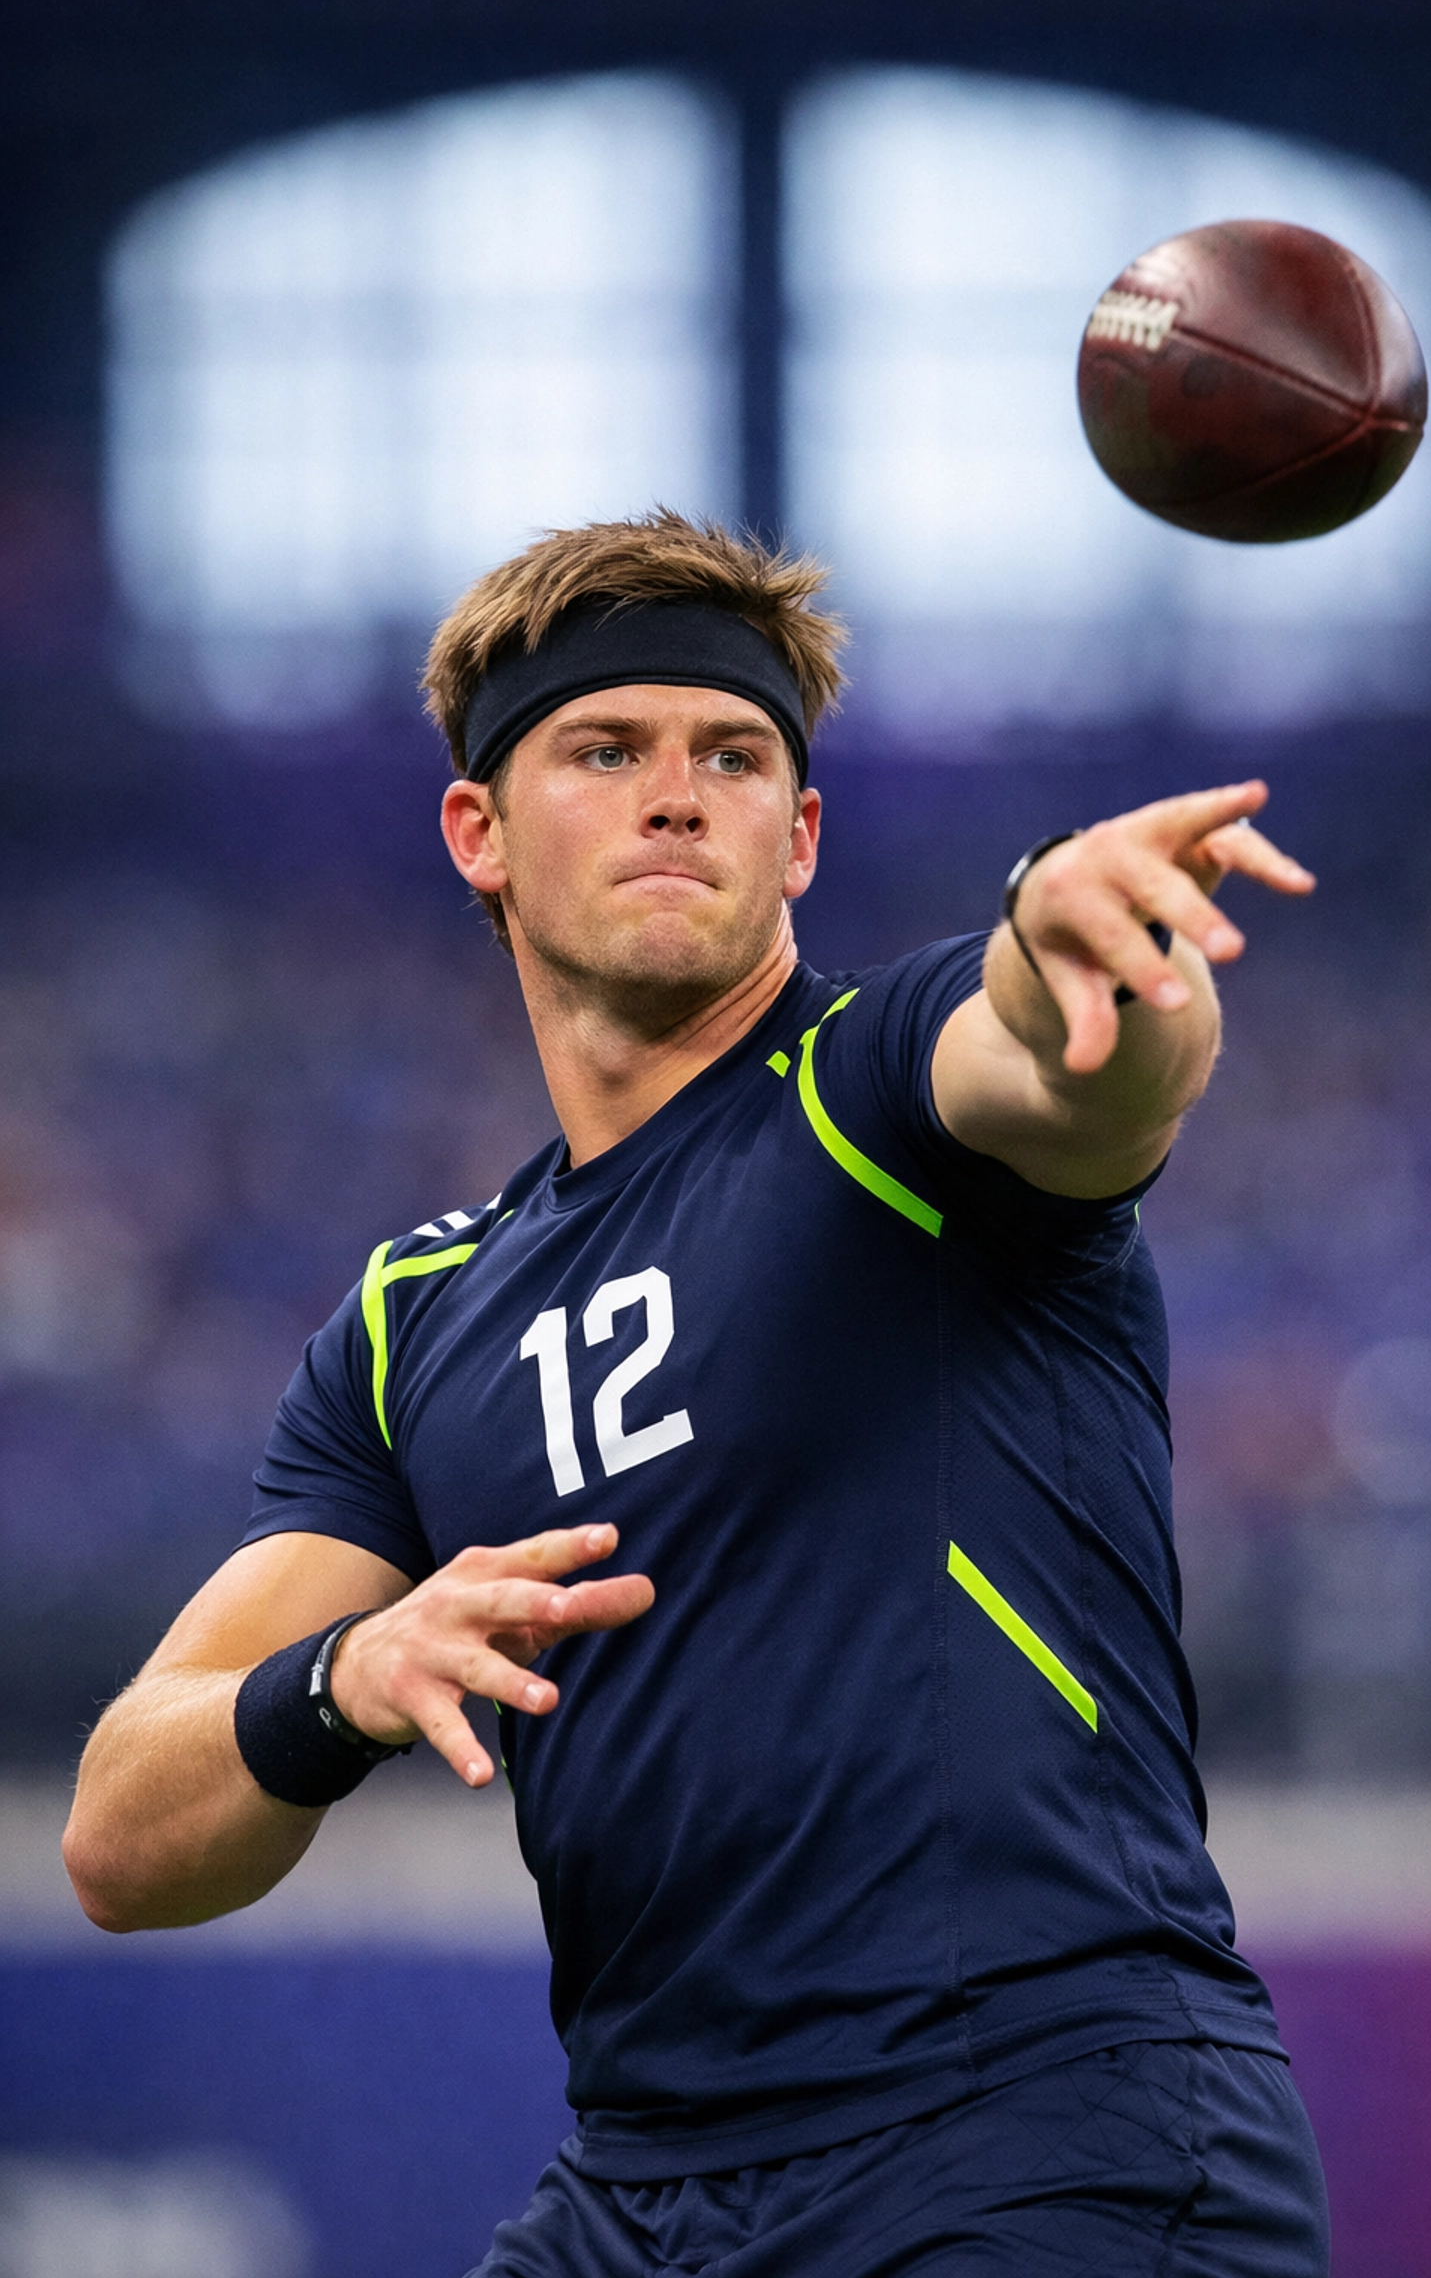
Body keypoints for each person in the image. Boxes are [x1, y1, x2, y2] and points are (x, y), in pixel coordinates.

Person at [64, 511, 1328, 2276]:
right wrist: (340, 1681)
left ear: (799, 835)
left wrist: (1091, 946)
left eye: (733, 755)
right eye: (606, 749)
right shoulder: (411, 1317)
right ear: (476, 833)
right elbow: (122, 1839)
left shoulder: (873, 1091)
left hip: (1032, 2135)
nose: (679, 794)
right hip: (644, 2187)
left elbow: (1081, 1068)